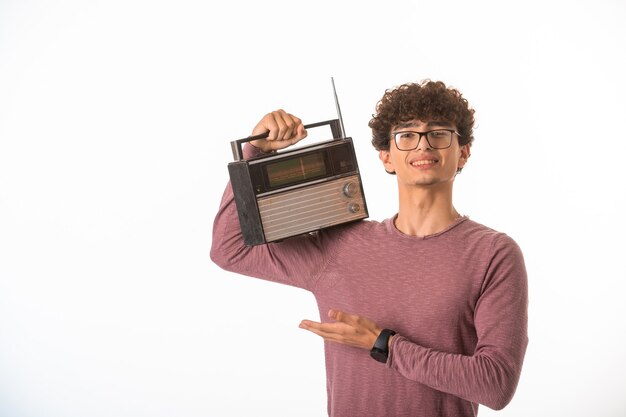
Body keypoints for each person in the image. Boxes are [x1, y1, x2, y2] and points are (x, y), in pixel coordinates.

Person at [211, 80, 528, 417]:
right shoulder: (341, 245)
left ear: (462, 152)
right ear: (386, 156)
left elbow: (495, 384)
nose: (423, 145)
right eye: (407, 135)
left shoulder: (494, 254)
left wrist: (385, 345)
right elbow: (230, 248)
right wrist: (256, 154)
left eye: (439, 133)